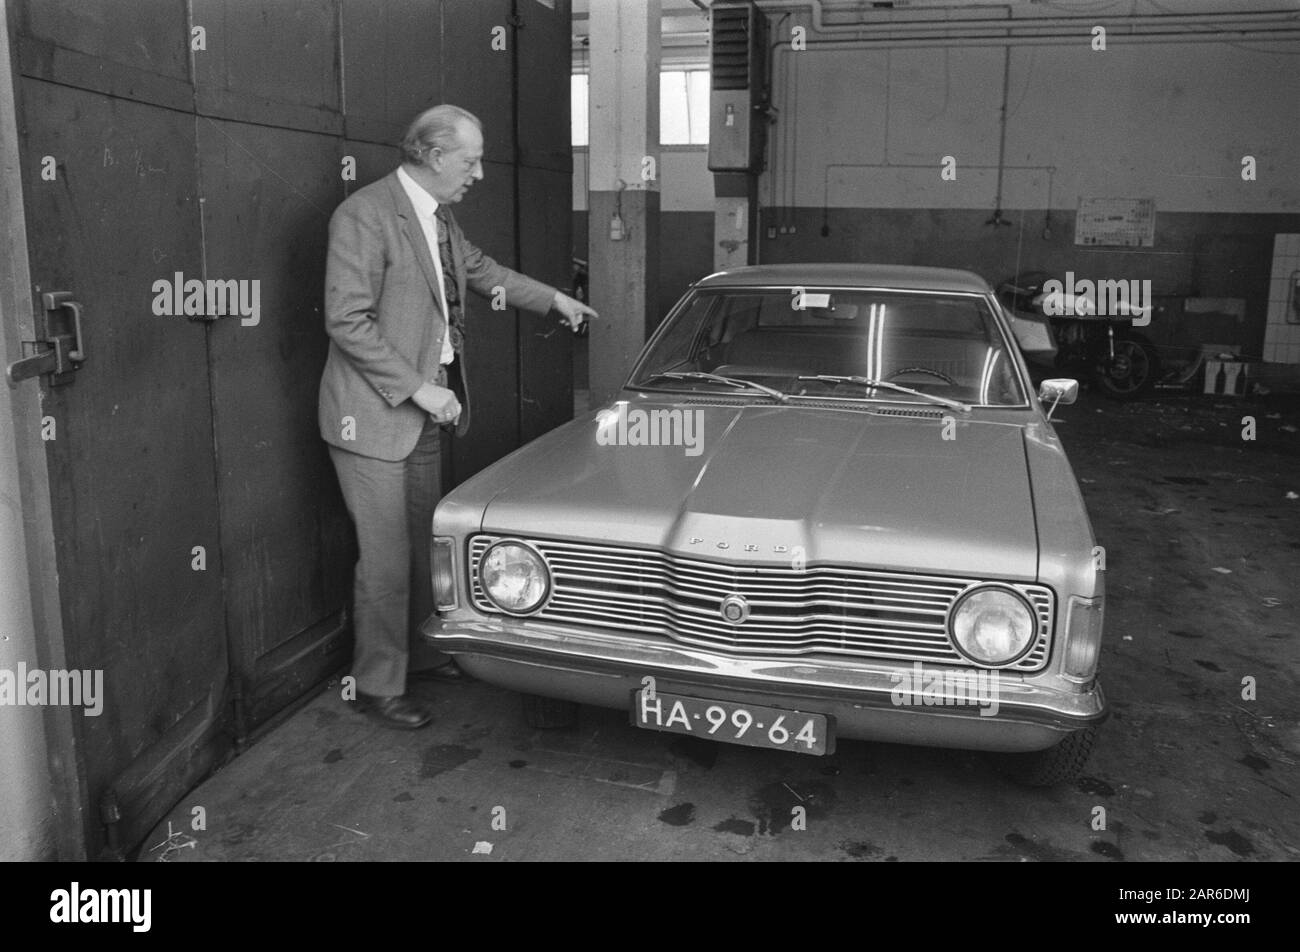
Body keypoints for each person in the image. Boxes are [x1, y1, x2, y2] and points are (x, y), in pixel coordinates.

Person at [318, 104, 597, 729]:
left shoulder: (438, 216)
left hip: (422, 411)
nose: (478, 173)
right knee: (386, 559)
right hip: (376, 415)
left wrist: (554, 300)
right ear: (435, 155)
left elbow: (481, 273)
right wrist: (420, 388)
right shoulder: (364, 215)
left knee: (423, 546)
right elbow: (347, 322)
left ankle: (416, 658)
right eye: (470, 160)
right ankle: (375, 683)